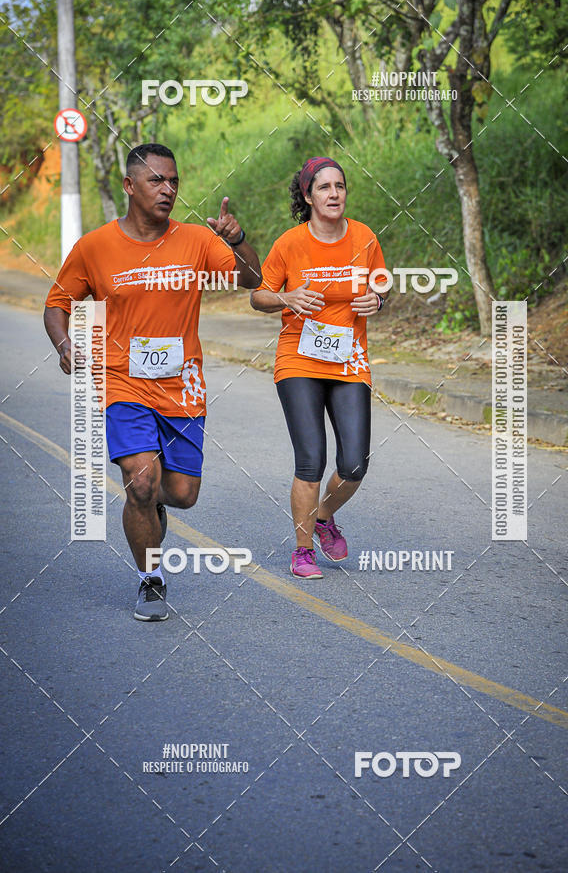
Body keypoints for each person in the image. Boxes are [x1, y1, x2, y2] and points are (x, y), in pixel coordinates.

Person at [44, 143, 261, 620]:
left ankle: (150, 503)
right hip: (122, 382)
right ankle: (151, 578)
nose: (168, 190)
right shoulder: (95, 247)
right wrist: (64, 344)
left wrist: (238, 238)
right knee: (141, 482)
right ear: (129, 185)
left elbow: (250, 278)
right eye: (156, 180)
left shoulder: (196, 240)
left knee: (182, 494)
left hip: (182, 385)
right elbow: (56, 304)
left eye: (173, 182)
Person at [251, 156, 385, 579]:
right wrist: (286, 298)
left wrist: (377, 300)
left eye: (339, 186)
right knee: (311, 459)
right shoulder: (290, 243)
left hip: (348, 361)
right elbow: (258, 296)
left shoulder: (364, 237)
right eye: (324, 187)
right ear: (308, 196)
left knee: (354, 465)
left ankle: (323, 516)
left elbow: (381, 286)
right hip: (299, 359)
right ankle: (303, 550)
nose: (334, 194)